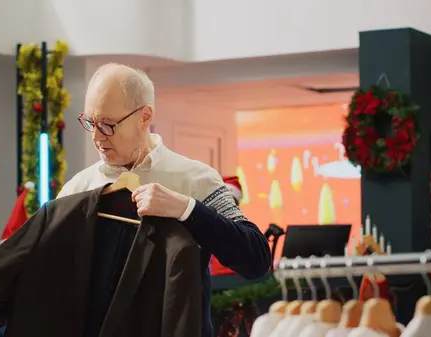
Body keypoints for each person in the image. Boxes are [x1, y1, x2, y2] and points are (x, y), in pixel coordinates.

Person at [58, 63, 272, 337]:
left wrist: (188, 209)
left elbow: (256, 259)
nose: (97, 137)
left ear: (145, 116)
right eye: (91, 123)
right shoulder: (76, 189)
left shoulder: (197, 180)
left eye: (108, 125)